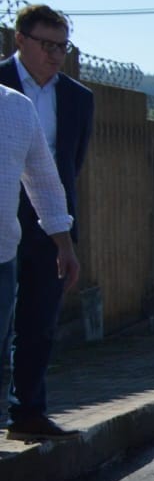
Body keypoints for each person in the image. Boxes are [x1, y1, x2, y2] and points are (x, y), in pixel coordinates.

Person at [2, 5, 93, 441]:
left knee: (39, 322)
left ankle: (28, 412)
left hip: (48, 225)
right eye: (47, 45)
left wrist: (64, 236)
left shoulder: (78, 97)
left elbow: (66, 168)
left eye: (63, 46)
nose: (56, 55)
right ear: (19, 40)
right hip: (5, 220)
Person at [1, 85, 80, 440]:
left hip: (2, 253)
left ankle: (21, 418)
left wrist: (63, 242)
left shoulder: (16, 107)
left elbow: (45, 181)